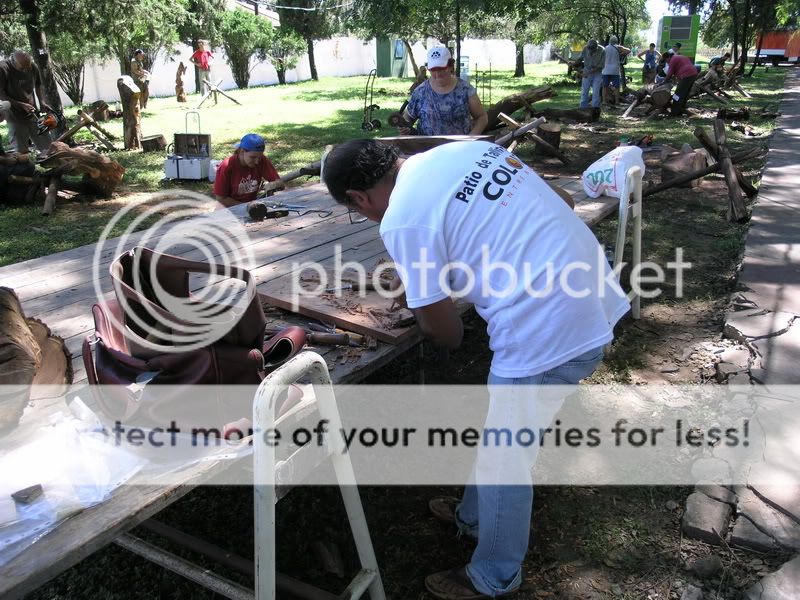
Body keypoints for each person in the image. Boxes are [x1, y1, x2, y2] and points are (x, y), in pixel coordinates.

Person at [322, 138, 630, 600]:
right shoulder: (466, 152)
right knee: (502, 434)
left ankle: (495, 574)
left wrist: (427, 309)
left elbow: (450, 335)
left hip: (548, 330)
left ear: (359, 199)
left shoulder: (402, 218)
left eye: (357, 211)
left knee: (506, 458)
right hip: (592, 295)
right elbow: (562, 202)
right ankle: (472, 517)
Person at [399, 45, 487, 136]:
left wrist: (471, 138)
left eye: (441, 69)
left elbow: (481, 117)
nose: (437, 74)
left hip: (460, 147)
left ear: (450, 66)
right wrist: (405, 126)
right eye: (433, 70)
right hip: (427, 147)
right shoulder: (420, 92)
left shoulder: (466, 90)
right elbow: (408, 117)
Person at [0, 50, 53, 155]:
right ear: (13, 61)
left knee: (48, 147)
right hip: (14, 115)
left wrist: (42, 102)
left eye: (27, 67)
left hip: (32, 112)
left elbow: (38, 85)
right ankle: (26, 170)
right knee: (21, 151)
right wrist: (21, 105)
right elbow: (0, 93)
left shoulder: (32, 67)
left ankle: (56, 167)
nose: (26, 69)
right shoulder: (3, 69)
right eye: (22, 68)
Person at [213, 133, 283, 207]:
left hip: (251, 207)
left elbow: (280, 183)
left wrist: (275, 184)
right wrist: (246, 206)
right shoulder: (226, 166)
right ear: (242, 151)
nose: (257, 162)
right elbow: (221, 199)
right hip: (229, 210)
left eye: (259, 157)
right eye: (253, 157)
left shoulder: (261, 160)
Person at [664, 49, 699, 116]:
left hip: (687, 75)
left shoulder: (673, 60)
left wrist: (663, 82)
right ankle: (681, 109)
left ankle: (674, 112)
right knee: (685, 93)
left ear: (668, 57)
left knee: (677, 94)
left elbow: (669, 74)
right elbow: (678, 70)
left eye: (666, 60)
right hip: (693, 74)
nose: (667, 62)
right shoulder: (680, 56)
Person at [601, 35, 631, 105]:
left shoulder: (605, 48)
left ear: (609, 41)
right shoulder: (618, 47)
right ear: (616, 41)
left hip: (605, 70)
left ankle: (604, 101)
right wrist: (622, 54)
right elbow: (629, 50)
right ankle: (617, 101)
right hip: (615, 70)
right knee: (617, 87)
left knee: (604, 86)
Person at [578, 39, 604, 109]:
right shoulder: (585, 48)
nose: (591, 51)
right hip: (587, 70)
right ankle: (583, 109)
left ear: (596, 48)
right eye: (589, 49)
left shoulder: (602, 50)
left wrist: (587, 73)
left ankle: (595, 109)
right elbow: (580, 59)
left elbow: (600, 67)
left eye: (593, 49)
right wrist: (574, 63)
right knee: (584, 91)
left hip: (597, 73)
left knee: (595, 92)